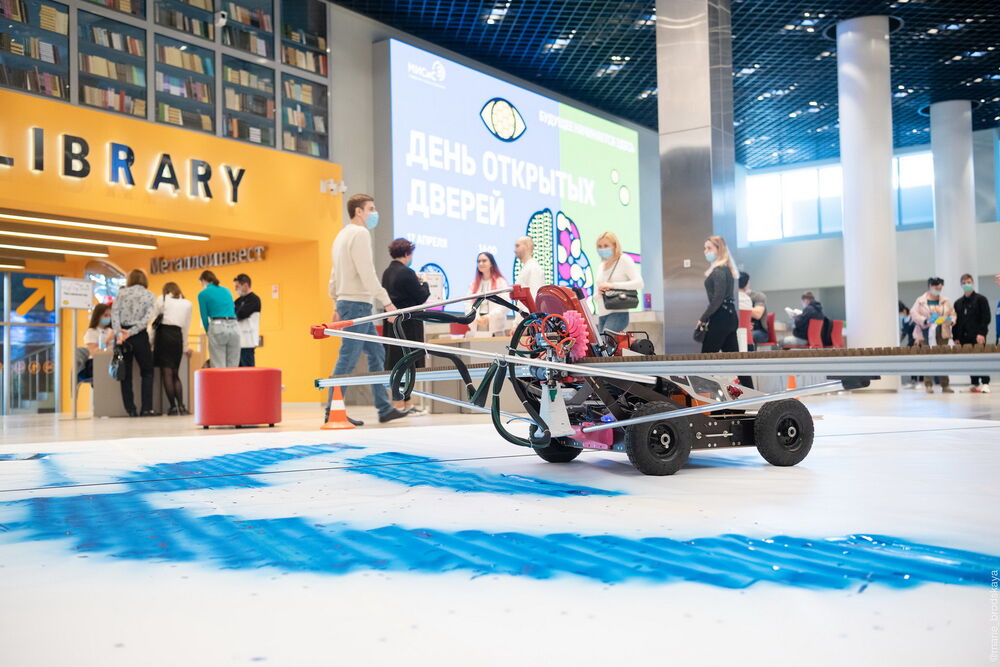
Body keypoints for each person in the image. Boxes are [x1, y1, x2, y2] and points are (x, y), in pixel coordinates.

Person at [328, 193, 407, 425]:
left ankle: (384, 408)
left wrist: (335, 302)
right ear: (359, 211)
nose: (374, 213)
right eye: (371, 209)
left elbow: (333, 275)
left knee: (376, 353)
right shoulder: (360, 233)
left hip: (349, 303)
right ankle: (332, 411)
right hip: (358, 305)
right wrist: (387, 302)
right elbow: (367, 273)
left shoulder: (340, 236)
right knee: (347, 358)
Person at [381, 238, 431, 414]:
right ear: (407, 253)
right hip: (408, 324)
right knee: (408, 363)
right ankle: (401, 403)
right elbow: (420, 296)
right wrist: (424, 284)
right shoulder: (407, 273)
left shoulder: (387, 272)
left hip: (392, 324)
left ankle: (404, 402)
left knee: (397, 363)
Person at [112, 269, 157, 417]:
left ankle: (130, 409)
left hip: (122, 335)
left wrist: (120, 334)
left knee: (125, 373)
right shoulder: (149, 295)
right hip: (140, 336)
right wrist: (132, 332)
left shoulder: (121, 293)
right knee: (147, 372)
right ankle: (146, 408)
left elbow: (114, 315)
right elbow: (147, 319)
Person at [153, 282, 192, 415]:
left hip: (163, 336)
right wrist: (185, 346)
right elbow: (186, 327)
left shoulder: (161, 299)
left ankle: (173, 407)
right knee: (175, 373)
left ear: (166, 290)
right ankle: (181, 406)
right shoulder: (187, 304)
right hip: (177, 337)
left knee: (167, 373)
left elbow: (154, 322)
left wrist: (151, 343)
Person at [911, 277, 955, 393]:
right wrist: (925, 320)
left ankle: (945, 384)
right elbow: (913, 314)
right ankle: (928, 384)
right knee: (928, 359)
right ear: (930, 286)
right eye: (935, 287)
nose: (937, 289)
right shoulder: (920, 300)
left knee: (943, 358)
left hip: (942, 332)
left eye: (940, 288)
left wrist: (950, 321)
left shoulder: (946, 301)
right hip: (926, 333)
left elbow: (953, 314)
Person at [594, 231, 643, 333]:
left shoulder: (624, 260)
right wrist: (598, 292)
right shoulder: (601, 265)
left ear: (615, 246)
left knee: (606, 341)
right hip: (602, 313)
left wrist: (613, 285)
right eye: (600, 246)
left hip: (618, 313)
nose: (602, 249)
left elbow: (639, 283)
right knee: (602, 342)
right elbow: (598, 291)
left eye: (606, 245)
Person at [953, 273, 990, 393]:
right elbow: (956, 321)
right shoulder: (958, 303)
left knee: (981, 358)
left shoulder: (981, 299)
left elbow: (986, 317)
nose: (966, 285)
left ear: (972, 283)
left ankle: (985, 382)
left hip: (978, 335)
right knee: (969, 360)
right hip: (963, 337)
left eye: (968, 282)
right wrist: (956, 337)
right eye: (964, 283)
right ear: (960, 284)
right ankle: (974, 382)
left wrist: (982, 333)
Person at [197, 270, 240, 369]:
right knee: (233, 366)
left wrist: (208, 332)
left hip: (218, 326)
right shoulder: (227, 290)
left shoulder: (203, 294)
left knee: (218, 366)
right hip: (234, 326)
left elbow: (204, 316)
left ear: (204, 280)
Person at [467, 252, 510, 336]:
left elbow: (505, 304)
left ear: (491, 263)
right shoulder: (473, 284)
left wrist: (489, 317)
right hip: (477, 330)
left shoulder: (501, 282)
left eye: (484, 261)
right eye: (478, 261)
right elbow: (467, 304)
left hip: (496, 331)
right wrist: (475, 317)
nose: (481, 263)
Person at [79, 303, 114, 382]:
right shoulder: (91, 332)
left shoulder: (111, 331)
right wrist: (107, 340)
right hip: (97, 364)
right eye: (105, 315)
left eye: (110, 315)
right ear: (98, 316)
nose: (108, 318)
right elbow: (95, 352)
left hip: (111, 361)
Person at [233, 273, 261, 367]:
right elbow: (230, 314)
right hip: (237, 342)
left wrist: (234, 314)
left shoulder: (254, 299)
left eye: (237, 286)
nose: (235, 289)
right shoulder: (237, 301)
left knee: (248, 370)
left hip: (248, 341)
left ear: (245, 285)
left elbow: (240, 314)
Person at [739, 272, 769, 344]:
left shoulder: (758, 296)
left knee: (744, 336)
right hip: (740, 327)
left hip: (758, 331)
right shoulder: (731, 297)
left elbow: (757, 314)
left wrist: (740, 304)